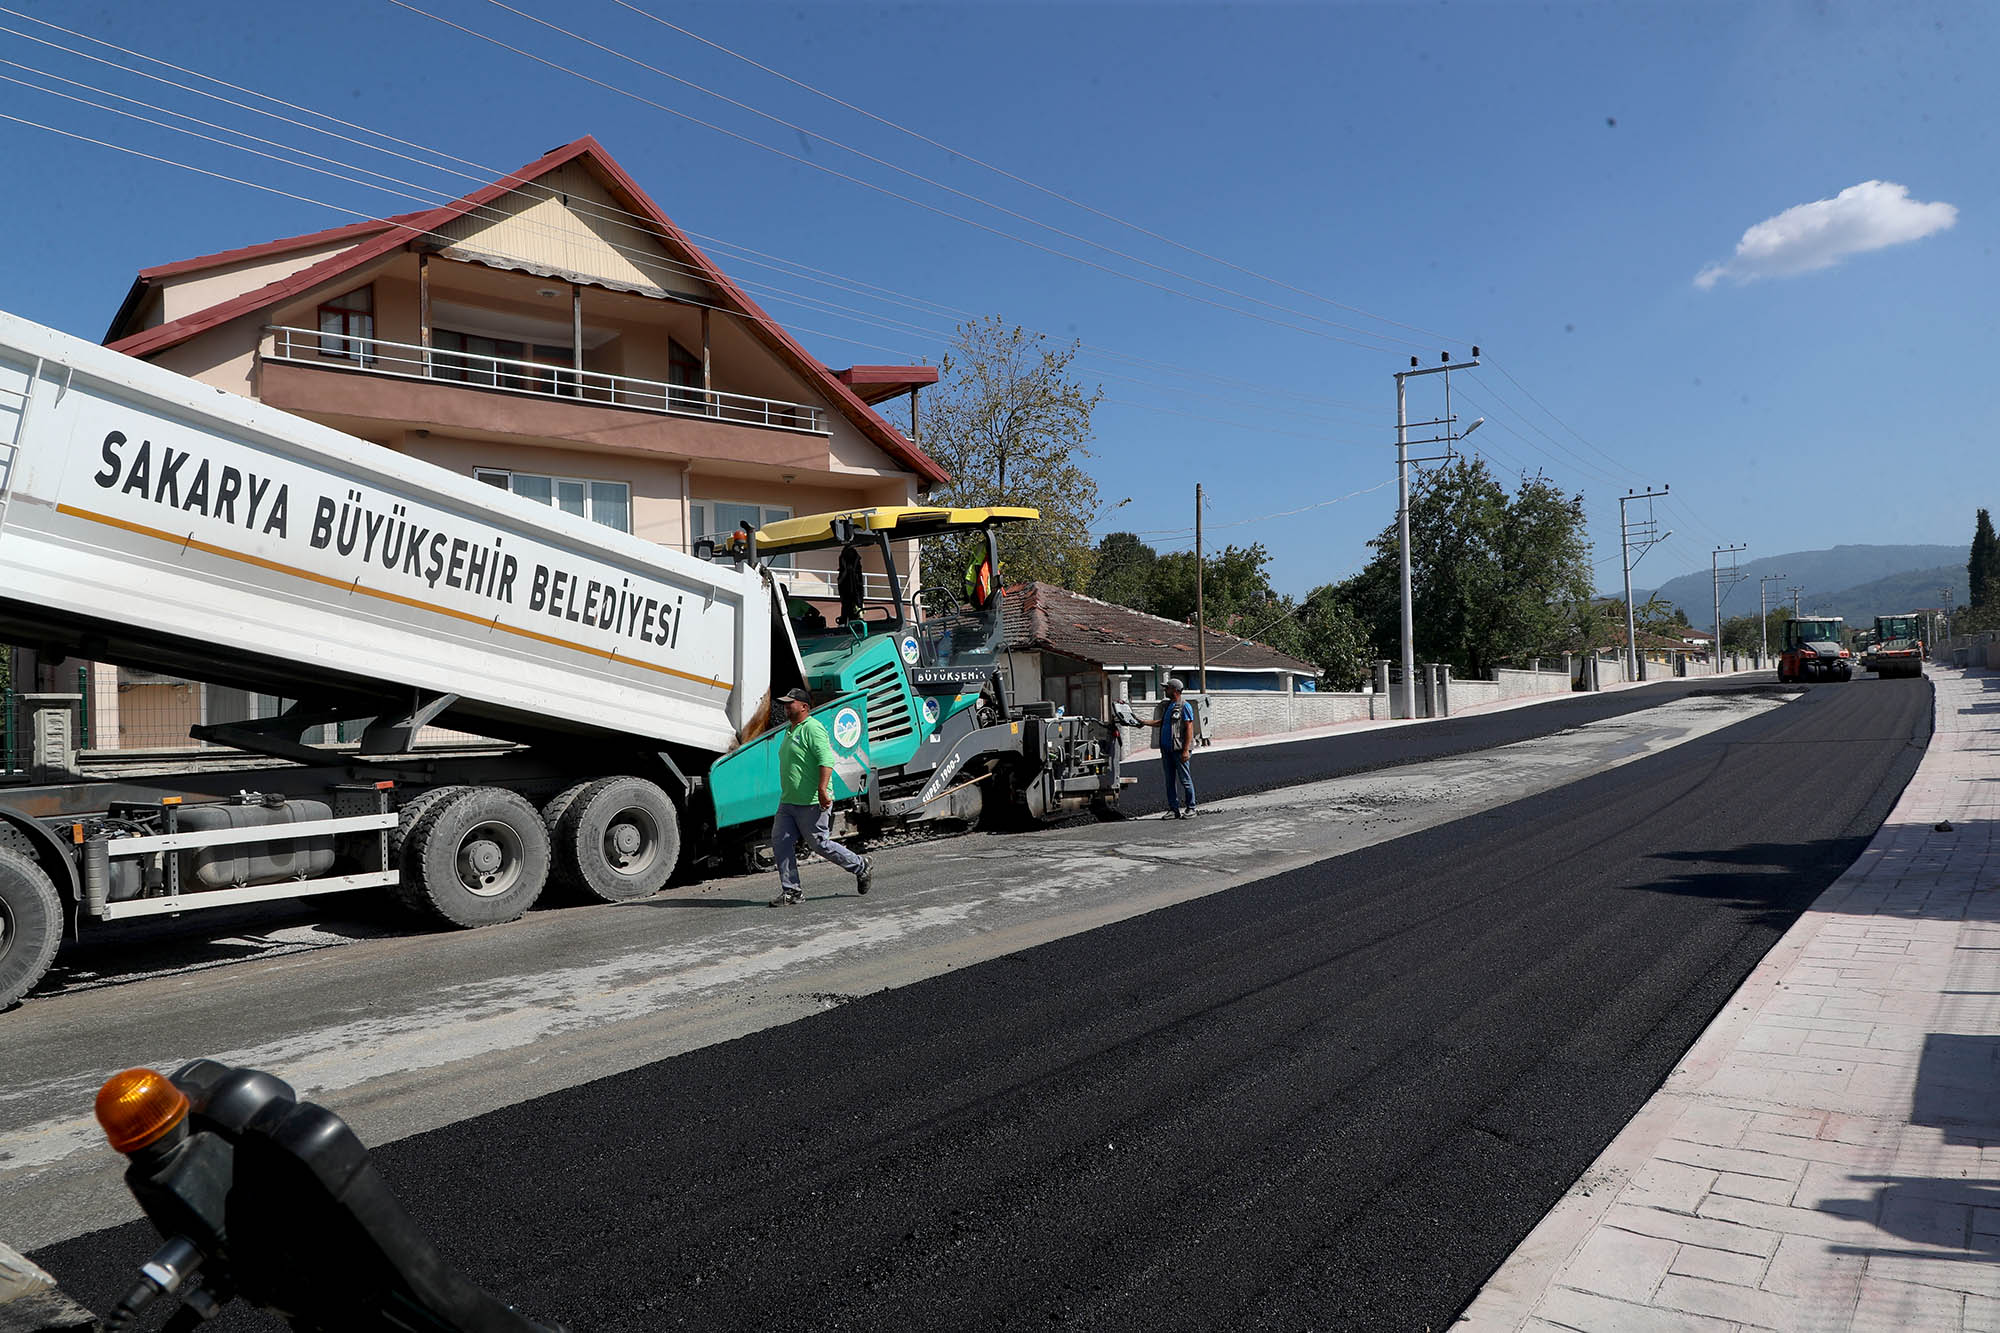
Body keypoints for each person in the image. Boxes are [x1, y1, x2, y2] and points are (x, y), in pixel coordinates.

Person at [768, 686, 873, 906]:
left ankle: (861, 866)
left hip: (812, 801)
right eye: (785, 703)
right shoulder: (791, 730)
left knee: (819, 844)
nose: (786, 706)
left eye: (791, 703)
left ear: (804, 707)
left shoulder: (812, 728)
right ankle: (792, 892)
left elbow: (826, 760)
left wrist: (823, 789)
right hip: (788, 800)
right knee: (781, 842)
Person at [1159, 677, 1197, 819]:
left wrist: (1186, 750)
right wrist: (1142, 722)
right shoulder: (1169, 705)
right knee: (1169, 781)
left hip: (1179, 750)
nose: (1165, 690)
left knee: (1185, 780)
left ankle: (1191, 807)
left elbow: (1189, 728)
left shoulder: (1184, 706)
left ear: (1174, 690)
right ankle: (1173, 809)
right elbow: (1162, 723)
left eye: (1167, 688)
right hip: (1167, 750)